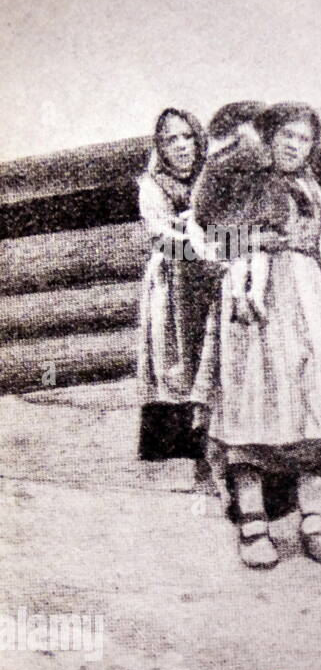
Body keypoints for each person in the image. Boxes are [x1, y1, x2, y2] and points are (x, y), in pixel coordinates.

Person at [201, 102, 321, 568]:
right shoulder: (240, 185)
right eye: (287, 136)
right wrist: (253, 243)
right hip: (255, 312)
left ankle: (313, 521)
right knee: (256, 407)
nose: (295, 146)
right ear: (268, 138)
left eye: (305, 139)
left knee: (315, 409)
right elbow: (199, 244)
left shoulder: (312, 191)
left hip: (311, 306)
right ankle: (253, 525)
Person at [136, 107, 209, 483]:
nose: (181, 146)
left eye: (187, 137)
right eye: (171, 139)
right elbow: (164, 240)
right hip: (172, 287)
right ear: (160, 146)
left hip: (212, 283)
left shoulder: (212, 178)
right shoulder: (153, 186)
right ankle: (194, 470)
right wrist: (206, 242)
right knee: (180, 365)